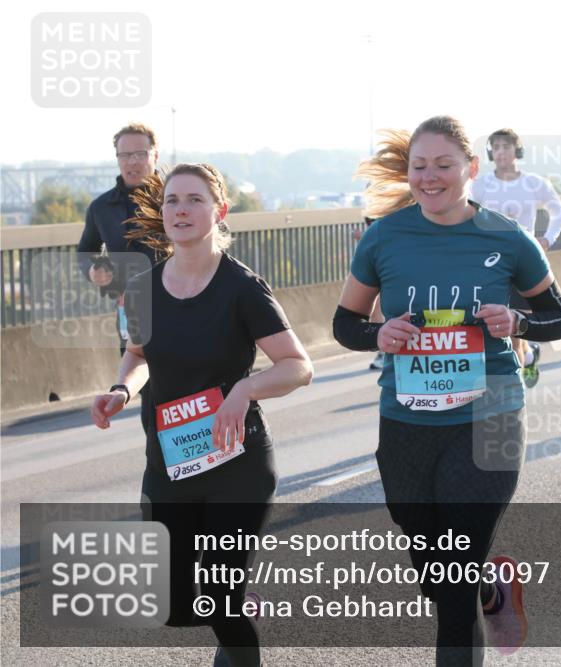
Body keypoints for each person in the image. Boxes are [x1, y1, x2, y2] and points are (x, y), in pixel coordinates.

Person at [334, 116, 561, 664]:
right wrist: (379, 333)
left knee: (455, 572)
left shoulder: (508, 237)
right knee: (438, 575)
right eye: (419, 167)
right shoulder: (383, 237)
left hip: (491, 412)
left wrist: (517, 321)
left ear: (471, 169)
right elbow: (344, 324)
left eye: (443, 166)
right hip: (407, 419)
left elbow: (557, 318)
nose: (430, 177)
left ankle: (475, 588)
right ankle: (492, 589)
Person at [90, 163, 313, 667]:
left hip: (236, 464)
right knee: (169, 605)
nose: (181, 210)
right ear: (162, 212)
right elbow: (139, 356)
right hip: (170, 463)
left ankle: (232, 619)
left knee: (219, 598)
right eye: (172, 201)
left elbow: (299, 367)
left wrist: (244, 390)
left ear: (219, 211)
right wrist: (120, 392)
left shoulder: (243, 288)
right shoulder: (144, 287)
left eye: (194, 200)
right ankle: (230, 607)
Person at [77, 123, 163, 429]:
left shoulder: (177, 197)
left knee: (189, 387)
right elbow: (85, 250)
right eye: (125, 154)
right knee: (147, 394)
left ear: (155, 154)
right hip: (132, 312)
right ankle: (160, 462)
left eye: (140, 153)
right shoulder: (102, 208)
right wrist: (93, 271)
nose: (133, 161)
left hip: (182, 302)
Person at [471, 128, 561, 388]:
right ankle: (530, 354)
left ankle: (512, 393)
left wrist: (547, 239)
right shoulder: (481, 185)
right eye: (496, 147)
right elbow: (466, 217)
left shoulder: (533, 183)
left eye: (506, 146)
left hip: (523, 265)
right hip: (489, 267)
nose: (501, 152)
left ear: (517, 150)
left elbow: (558, 211)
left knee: (515, 329)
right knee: (499, 331)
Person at [353, 217, 388, 369]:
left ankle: (383, 353)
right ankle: (382, 351)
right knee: (376, 313)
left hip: (387, 270)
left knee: (379, 311)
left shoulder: (395, 210)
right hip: (375, 269)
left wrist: (362, 237)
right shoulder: (373, 209)